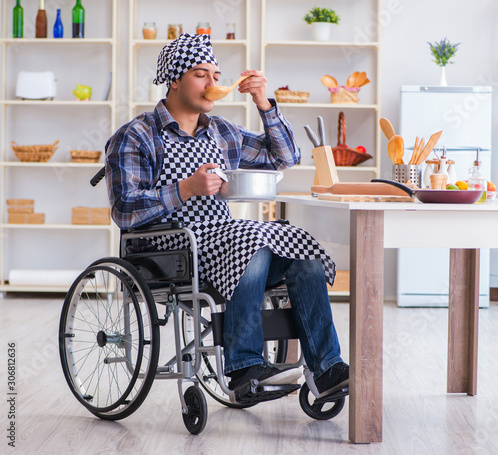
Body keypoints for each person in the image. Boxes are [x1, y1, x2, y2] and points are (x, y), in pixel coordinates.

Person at [105, 33, 348, 402]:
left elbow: (284, 157)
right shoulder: (137, 136)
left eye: (216, 76)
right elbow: (124, 209)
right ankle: (244, 366)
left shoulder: (221, 132)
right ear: (174, 78)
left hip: (224, 241)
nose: (212, 84)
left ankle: (326, 368)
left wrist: (263, 102)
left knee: (302, 253)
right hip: (167, 248)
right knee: (252, 240)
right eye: (201, 74)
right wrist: (185, 188)